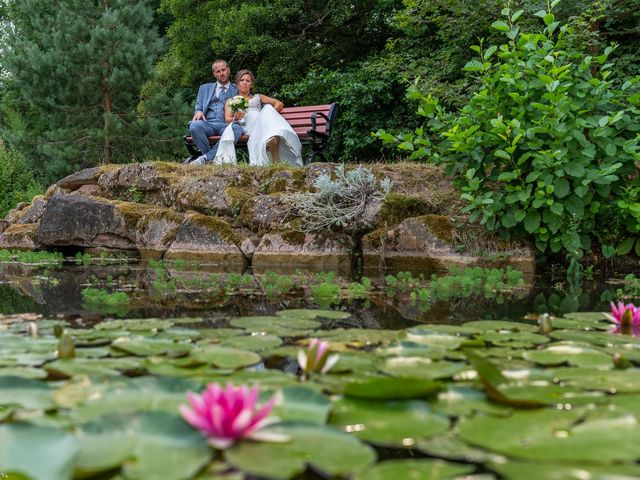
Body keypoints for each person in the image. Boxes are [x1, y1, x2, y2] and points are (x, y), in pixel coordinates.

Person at [214, 69, 302, 166]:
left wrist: (267, 115)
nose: (244, 83)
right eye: (242, 80)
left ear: (251, 85)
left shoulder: (258, 97)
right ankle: (275, 155)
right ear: (237, 83)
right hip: (248, 124)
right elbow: (227, 119)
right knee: (269, 122)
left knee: (268, 107)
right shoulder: (231, 100)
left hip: (262, 121)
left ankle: (273, 147)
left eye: (248, 81)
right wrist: (236, 117)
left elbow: (279, 103)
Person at [186, 59, 243, 165]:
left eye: (223, 70)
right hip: (208, 123)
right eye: (218, 71)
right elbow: (198, 106)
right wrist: (198, 112)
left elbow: (248, 101)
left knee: (237, 129)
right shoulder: (204, 88)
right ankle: (209, 157)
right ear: (214, 74)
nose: (221, 73)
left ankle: (205, 158)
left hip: (226, 124)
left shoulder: (237, 89)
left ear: (228, 70)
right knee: (194, 126)